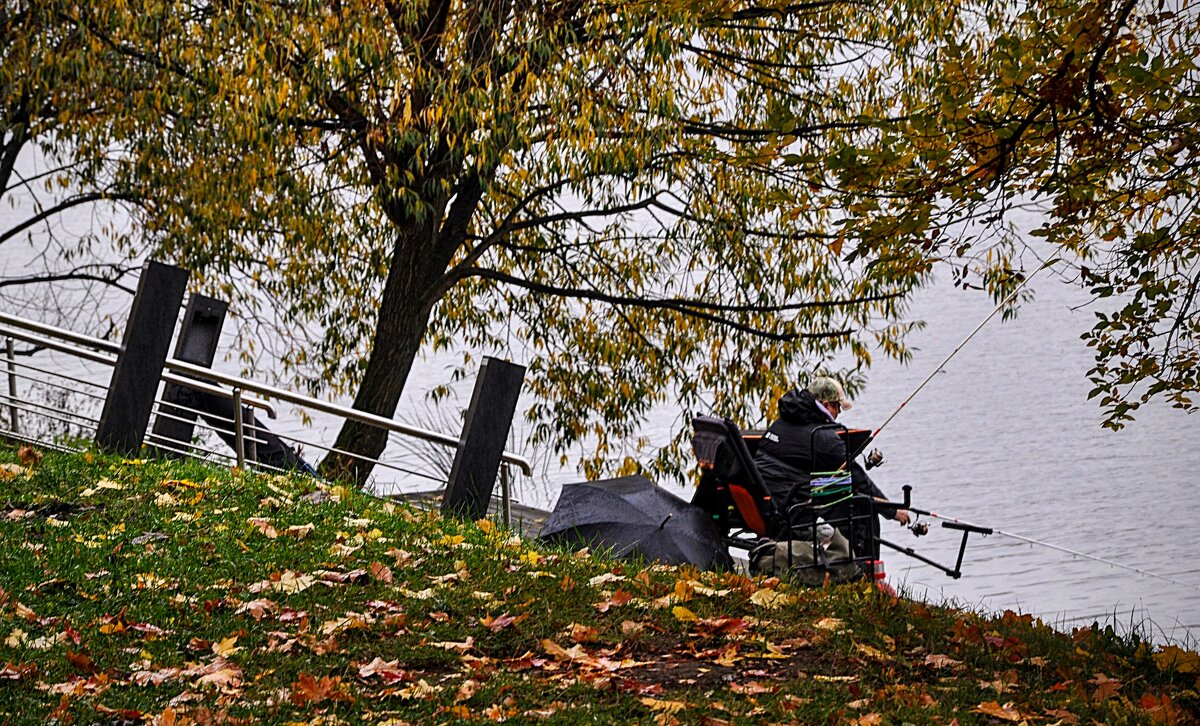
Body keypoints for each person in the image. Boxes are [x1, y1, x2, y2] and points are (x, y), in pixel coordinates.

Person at [752, 376, 910, 566]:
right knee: (862, 507)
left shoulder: (779, 424)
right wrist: (891, 509)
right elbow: (856, 478)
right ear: (826, 405)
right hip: (794, 511)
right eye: (837, 407)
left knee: (845, 497)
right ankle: (865, 575)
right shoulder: (822, 437)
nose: (838, 414)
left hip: (766, 502)